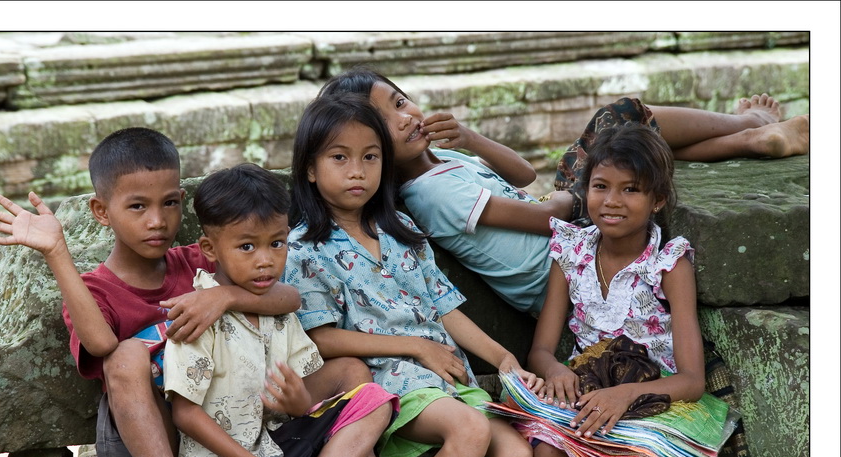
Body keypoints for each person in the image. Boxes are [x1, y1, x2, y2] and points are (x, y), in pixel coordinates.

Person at [0, 127, 303, 457]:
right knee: (128, 354)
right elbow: (101, 343)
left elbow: (287, 297)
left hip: (222, 446)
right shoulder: (96, 290)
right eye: (137, 206)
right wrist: (57, 252)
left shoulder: (197, 261)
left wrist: (223, 295)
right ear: (101, 211)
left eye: (169, 203)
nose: (157, 220)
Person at [282, 94, 544, 457]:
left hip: (445, 378)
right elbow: (321, 338)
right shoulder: (303, 249)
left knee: (518, 453)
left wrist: (505, 358)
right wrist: (416, 347)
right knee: (468, 431)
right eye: (339, 158)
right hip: (383, 386)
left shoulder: (400, 228)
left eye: (370, 157)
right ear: (310, 169)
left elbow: (444, 307)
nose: (357, 171)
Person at [317, 66, 810, 316]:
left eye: (402, 101)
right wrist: (574, 195)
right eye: (387, 119)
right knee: (619, 120)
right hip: (566, 264)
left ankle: (751, 139)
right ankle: (748, 123)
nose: (407, 117)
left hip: (562, 228)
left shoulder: (444, 161)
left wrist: (468, 138)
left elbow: (522, 173)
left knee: (621, 154)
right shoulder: (429, 196)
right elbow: (543, 215)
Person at [165, 163, 440, 457]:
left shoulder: (279, 311)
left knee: (375, 399)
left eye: (276, 244)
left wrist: (297, 402)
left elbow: (301, 402)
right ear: (210, 250)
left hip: (282, 448)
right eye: (247, 247)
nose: (265, 261)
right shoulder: (198, 317)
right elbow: (185, 415)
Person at [521, 122, 709, 457]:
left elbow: (692, 380)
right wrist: (557, 372)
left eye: (631, 190)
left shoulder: (669, 264)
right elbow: (541, 351)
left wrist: (624, 394)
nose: (612, 201)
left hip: (654, 393)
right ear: (585, 191)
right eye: (601, 186)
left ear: (657, 200)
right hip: (584, 387)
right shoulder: (572, 252)